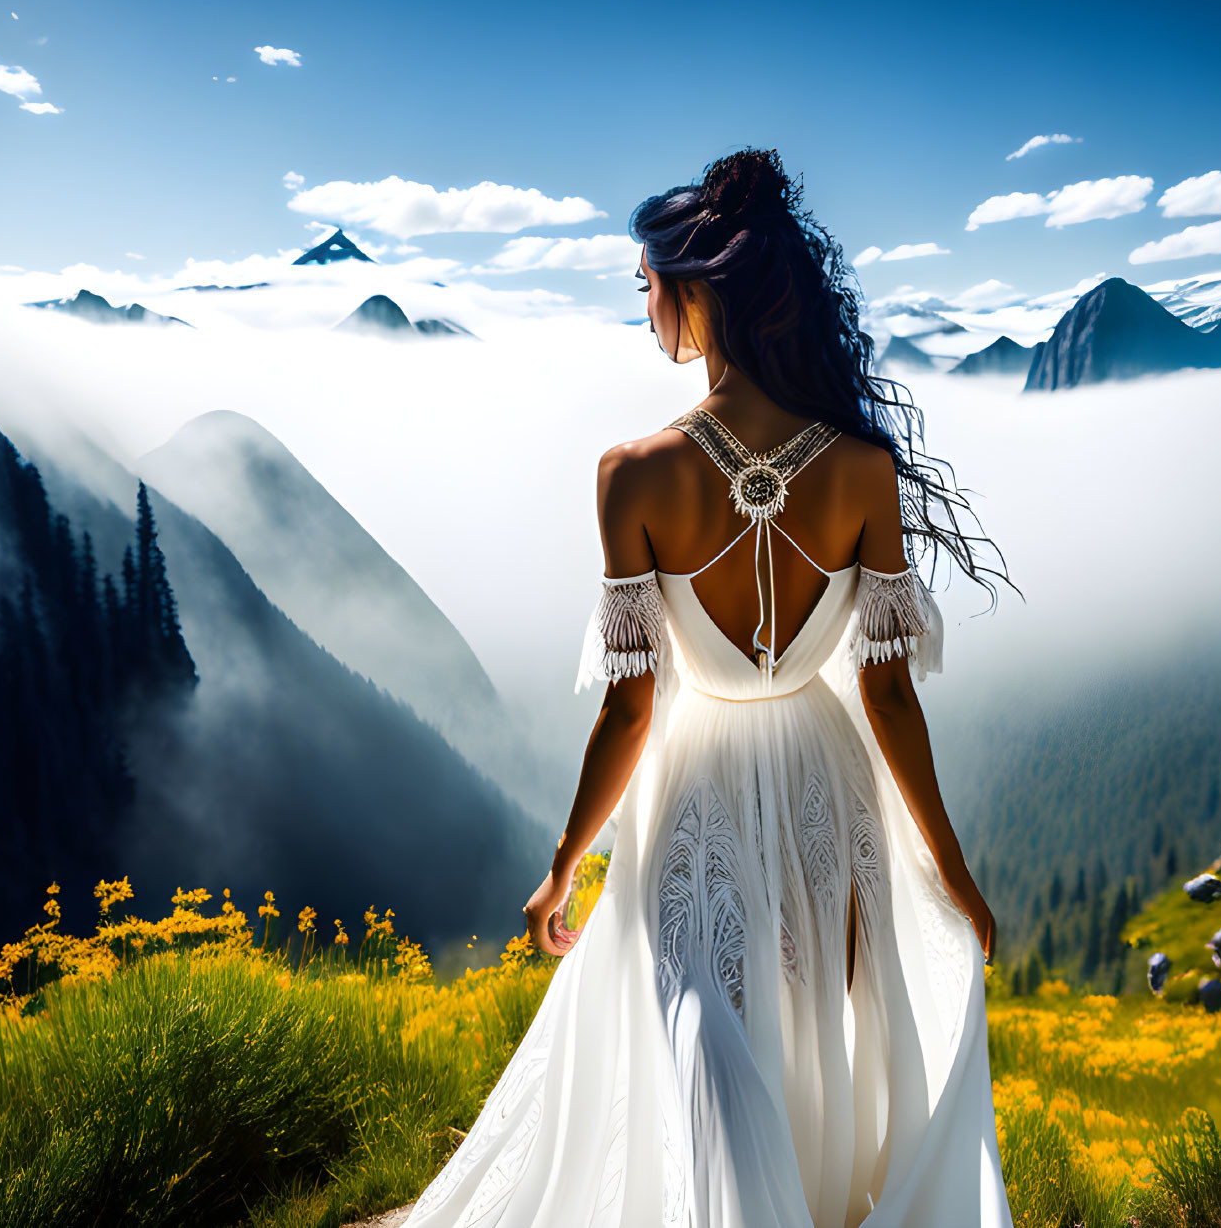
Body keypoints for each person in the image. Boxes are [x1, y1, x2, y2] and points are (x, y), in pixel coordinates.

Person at [404, 148, 1018, 1227]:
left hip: (694, 784)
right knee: (810, 1032)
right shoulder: (865, 468)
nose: (646, 309)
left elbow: (631, 706)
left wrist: (564, 866)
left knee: (702, 1024)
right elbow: (886, 698)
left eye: (647, 284)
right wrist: (951, 870)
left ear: (695, 291)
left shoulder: (632, 472)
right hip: (828, 776)